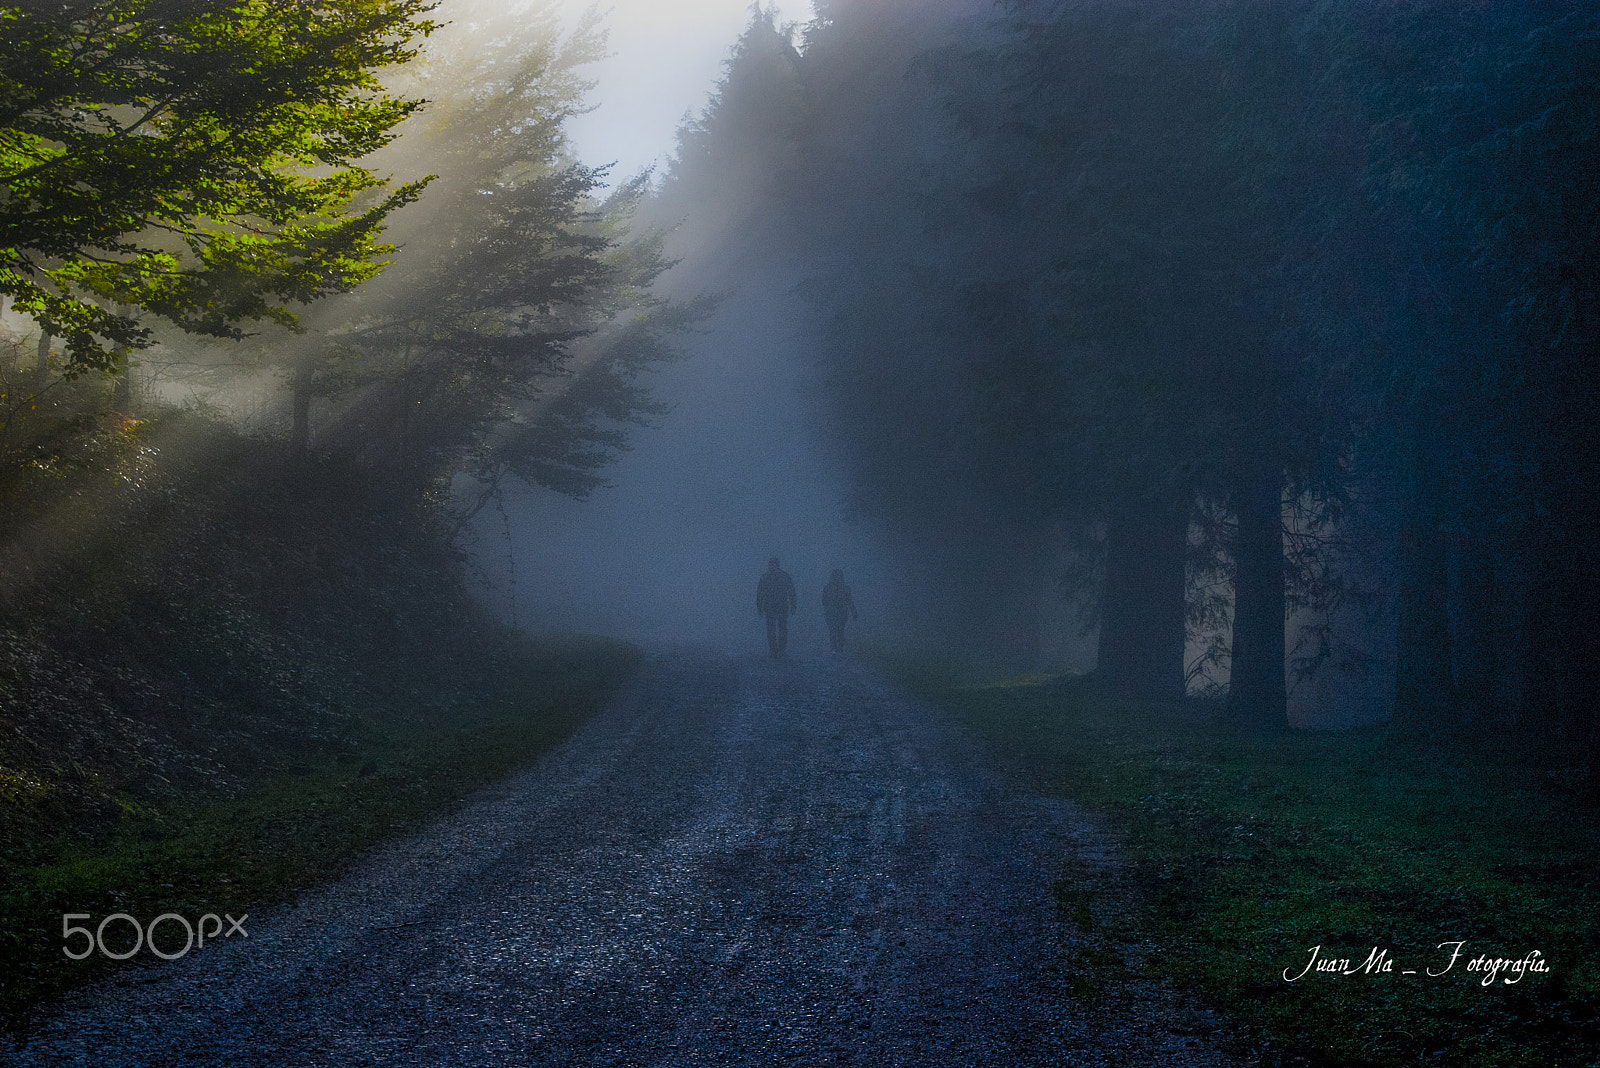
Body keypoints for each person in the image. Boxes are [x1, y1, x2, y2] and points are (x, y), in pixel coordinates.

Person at [755, 557, 797, 658]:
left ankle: (781, 650)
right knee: (772, 630)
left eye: (773, 564)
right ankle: (774, 650)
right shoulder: (767, 577)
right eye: (770, 564)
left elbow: (791, 592)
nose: (771, 566)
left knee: (781, 629)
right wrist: (759, 606)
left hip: (780, 606)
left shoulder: (779, 577)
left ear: (777, 565)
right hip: (771, 607)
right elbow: (760, 593)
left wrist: (793, 605)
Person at [821, 569, 859, 656]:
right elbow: (850, 601)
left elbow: (823, 601)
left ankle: (834, 649)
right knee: (840, 631)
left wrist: (830, 605)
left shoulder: (827, 587)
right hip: (841, 613)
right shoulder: (845, 588)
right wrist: (854, 612)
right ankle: (840, 649)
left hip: (831, 613)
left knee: (833, 631)